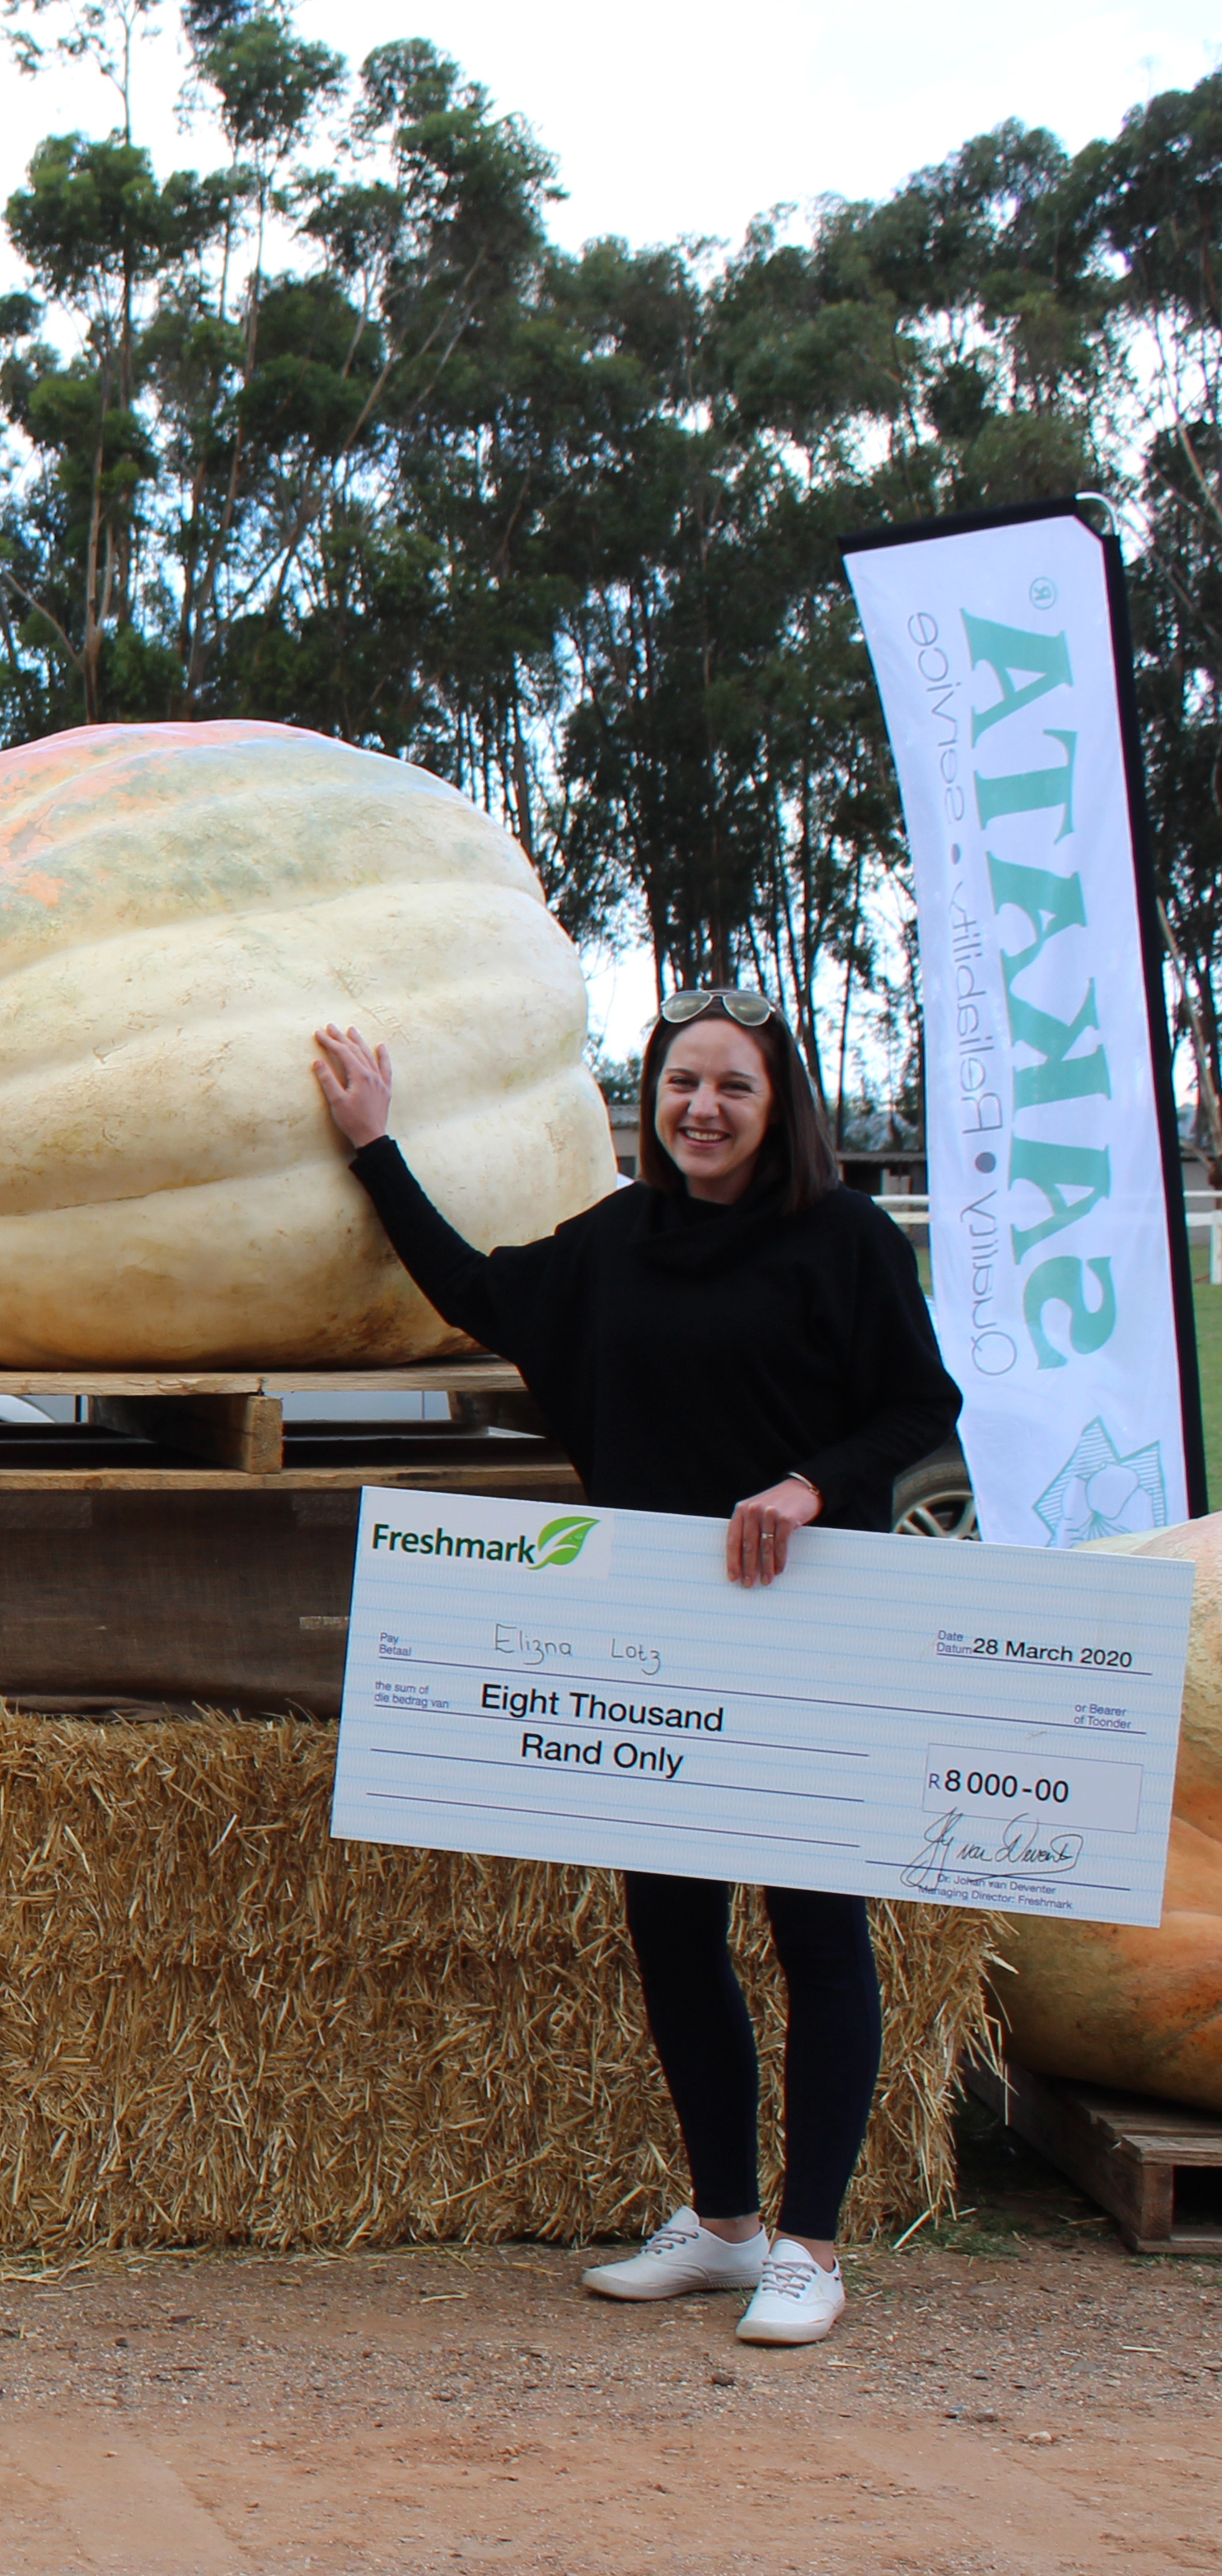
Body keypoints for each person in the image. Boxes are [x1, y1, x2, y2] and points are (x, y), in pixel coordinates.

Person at [311, 990, 957, 2348]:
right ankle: (723, 2224)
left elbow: (919, 1407)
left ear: (777, 1108)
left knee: (815, 1936)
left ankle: (811, 2247)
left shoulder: (840, 1241)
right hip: (654, 1642)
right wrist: (375, 1148)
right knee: (673, 1933)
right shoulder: (614, 1245)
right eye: (678, 1084)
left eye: (731, 1086)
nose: (701, 1110)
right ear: (649, 1101)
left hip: (804, 1620)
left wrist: (808, 1487)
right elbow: (477, 1291)